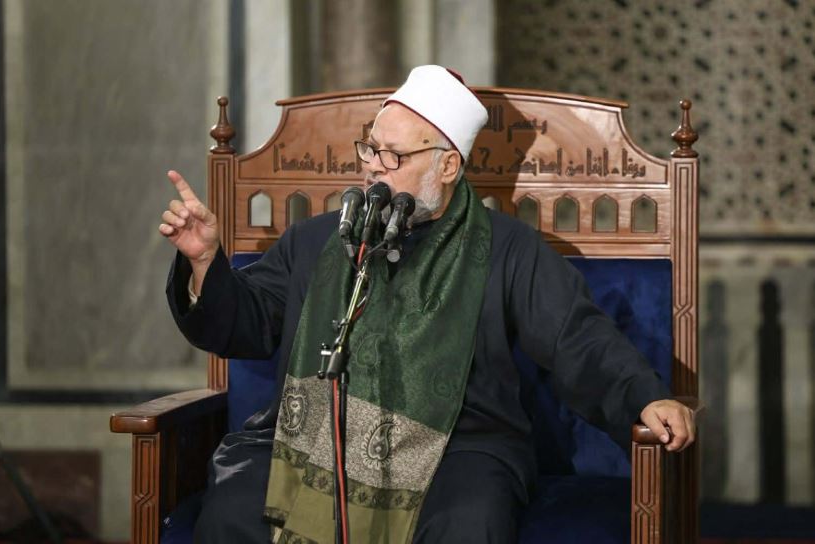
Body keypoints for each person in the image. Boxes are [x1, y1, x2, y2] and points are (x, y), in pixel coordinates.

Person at [160, 65, 695, 543]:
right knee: (234, 509)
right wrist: (206, 263)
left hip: (456, 445)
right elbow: (248, 322)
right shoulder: (317, 240)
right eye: (370, 148)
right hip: (319, 433)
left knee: (468, 520)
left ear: (447, 166)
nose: (374, 167)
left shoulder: (506, 250)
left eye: (393, 156)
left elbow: (575, 338)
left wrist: (644, 398)